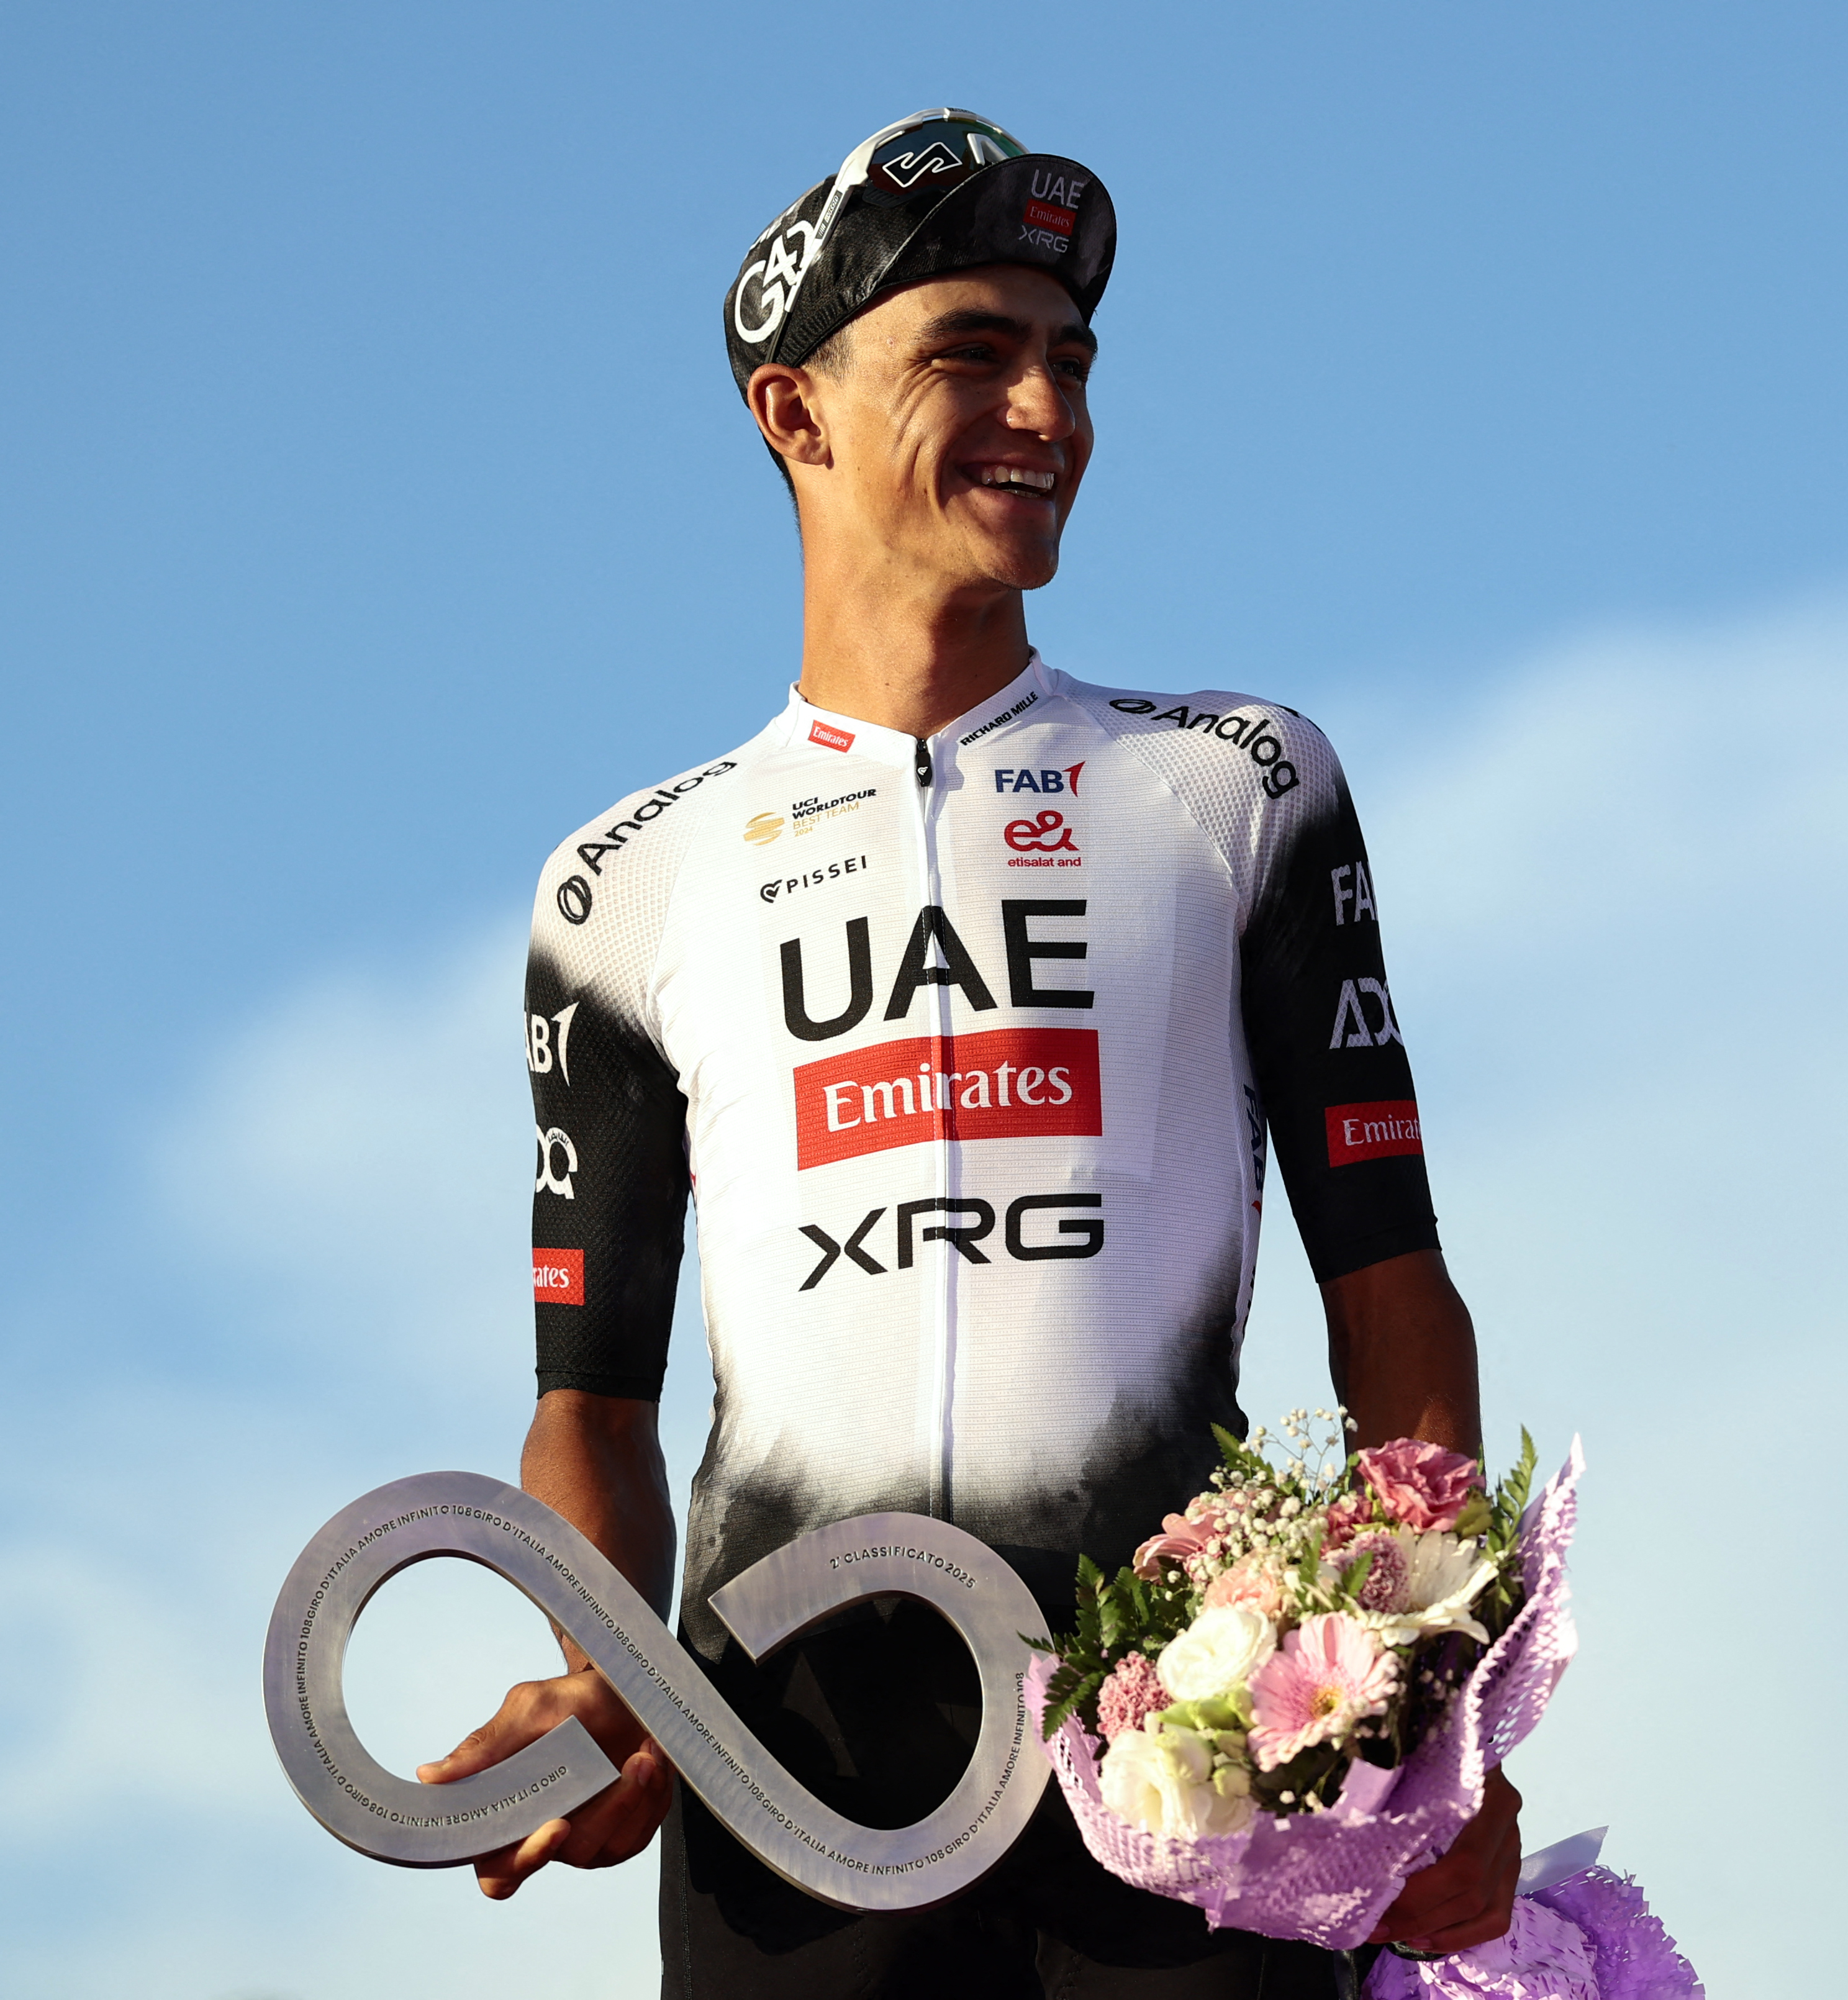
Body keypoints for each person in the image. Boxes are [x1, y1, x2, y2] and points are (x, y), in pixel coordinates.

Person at [417, 107, 1520, 1998]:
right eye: (972, 355)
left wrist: (1442, 1709)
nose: (1046, 409)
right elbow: (590, 1403)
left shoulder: (1237, 789)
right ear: (798, 414)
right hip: (784, 1782)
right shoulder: (620, 889)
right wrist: (607, 1678)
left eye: (1069, 360)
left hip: (1192, 1759)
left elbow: (1394, 1291)